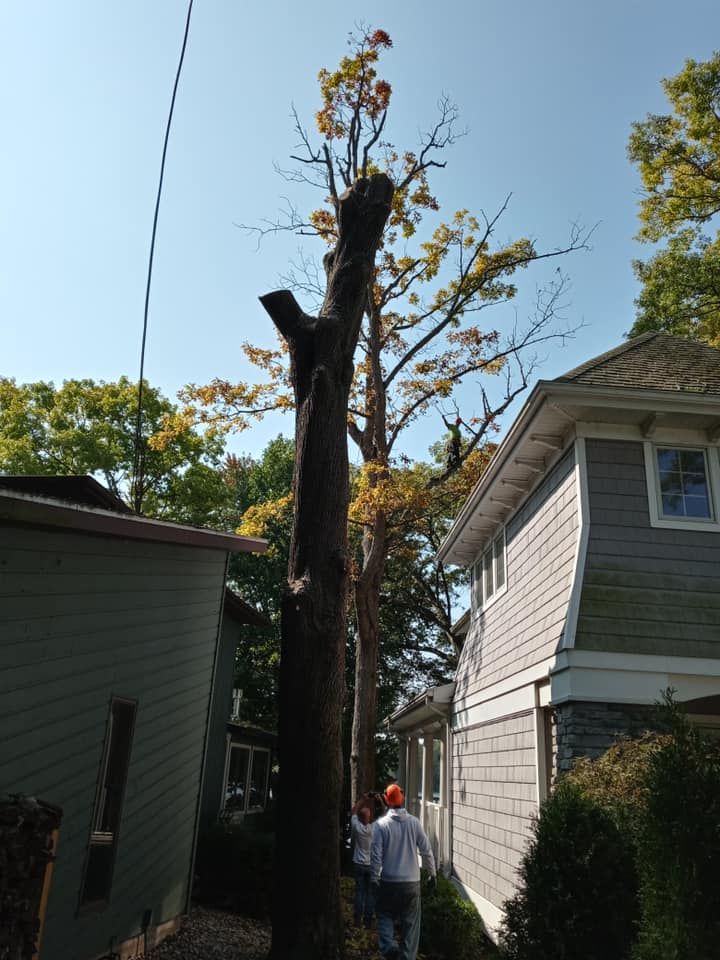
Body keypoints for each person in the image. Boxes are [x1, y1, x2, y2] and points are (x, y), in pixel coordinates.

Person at [370, 783, 436, 960]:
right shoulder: (414, 823)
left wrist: (374, 878)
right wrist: (432, 873)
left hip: (388, 881)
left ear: (386, 800)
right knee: (411, 926)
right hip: (411, 883)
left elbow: (376, 856)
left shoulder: (380, 825)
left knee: (384, 914)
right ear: (402, 798)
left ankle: (388, 946)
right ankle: (406, 957)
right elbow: (426, 850)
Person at [350, 794, 376, 928]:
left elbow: (353, 811)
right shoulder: (373, 829)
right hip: (370, 864)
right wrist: (379, 800)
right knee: (369, 894)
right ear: (369, 818)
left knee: (359, 892)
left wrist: (362, 799)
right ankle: (368, 920)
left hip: (359, 864)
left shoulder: (357, 827)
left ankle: (357, 920)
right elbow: (384, 815)